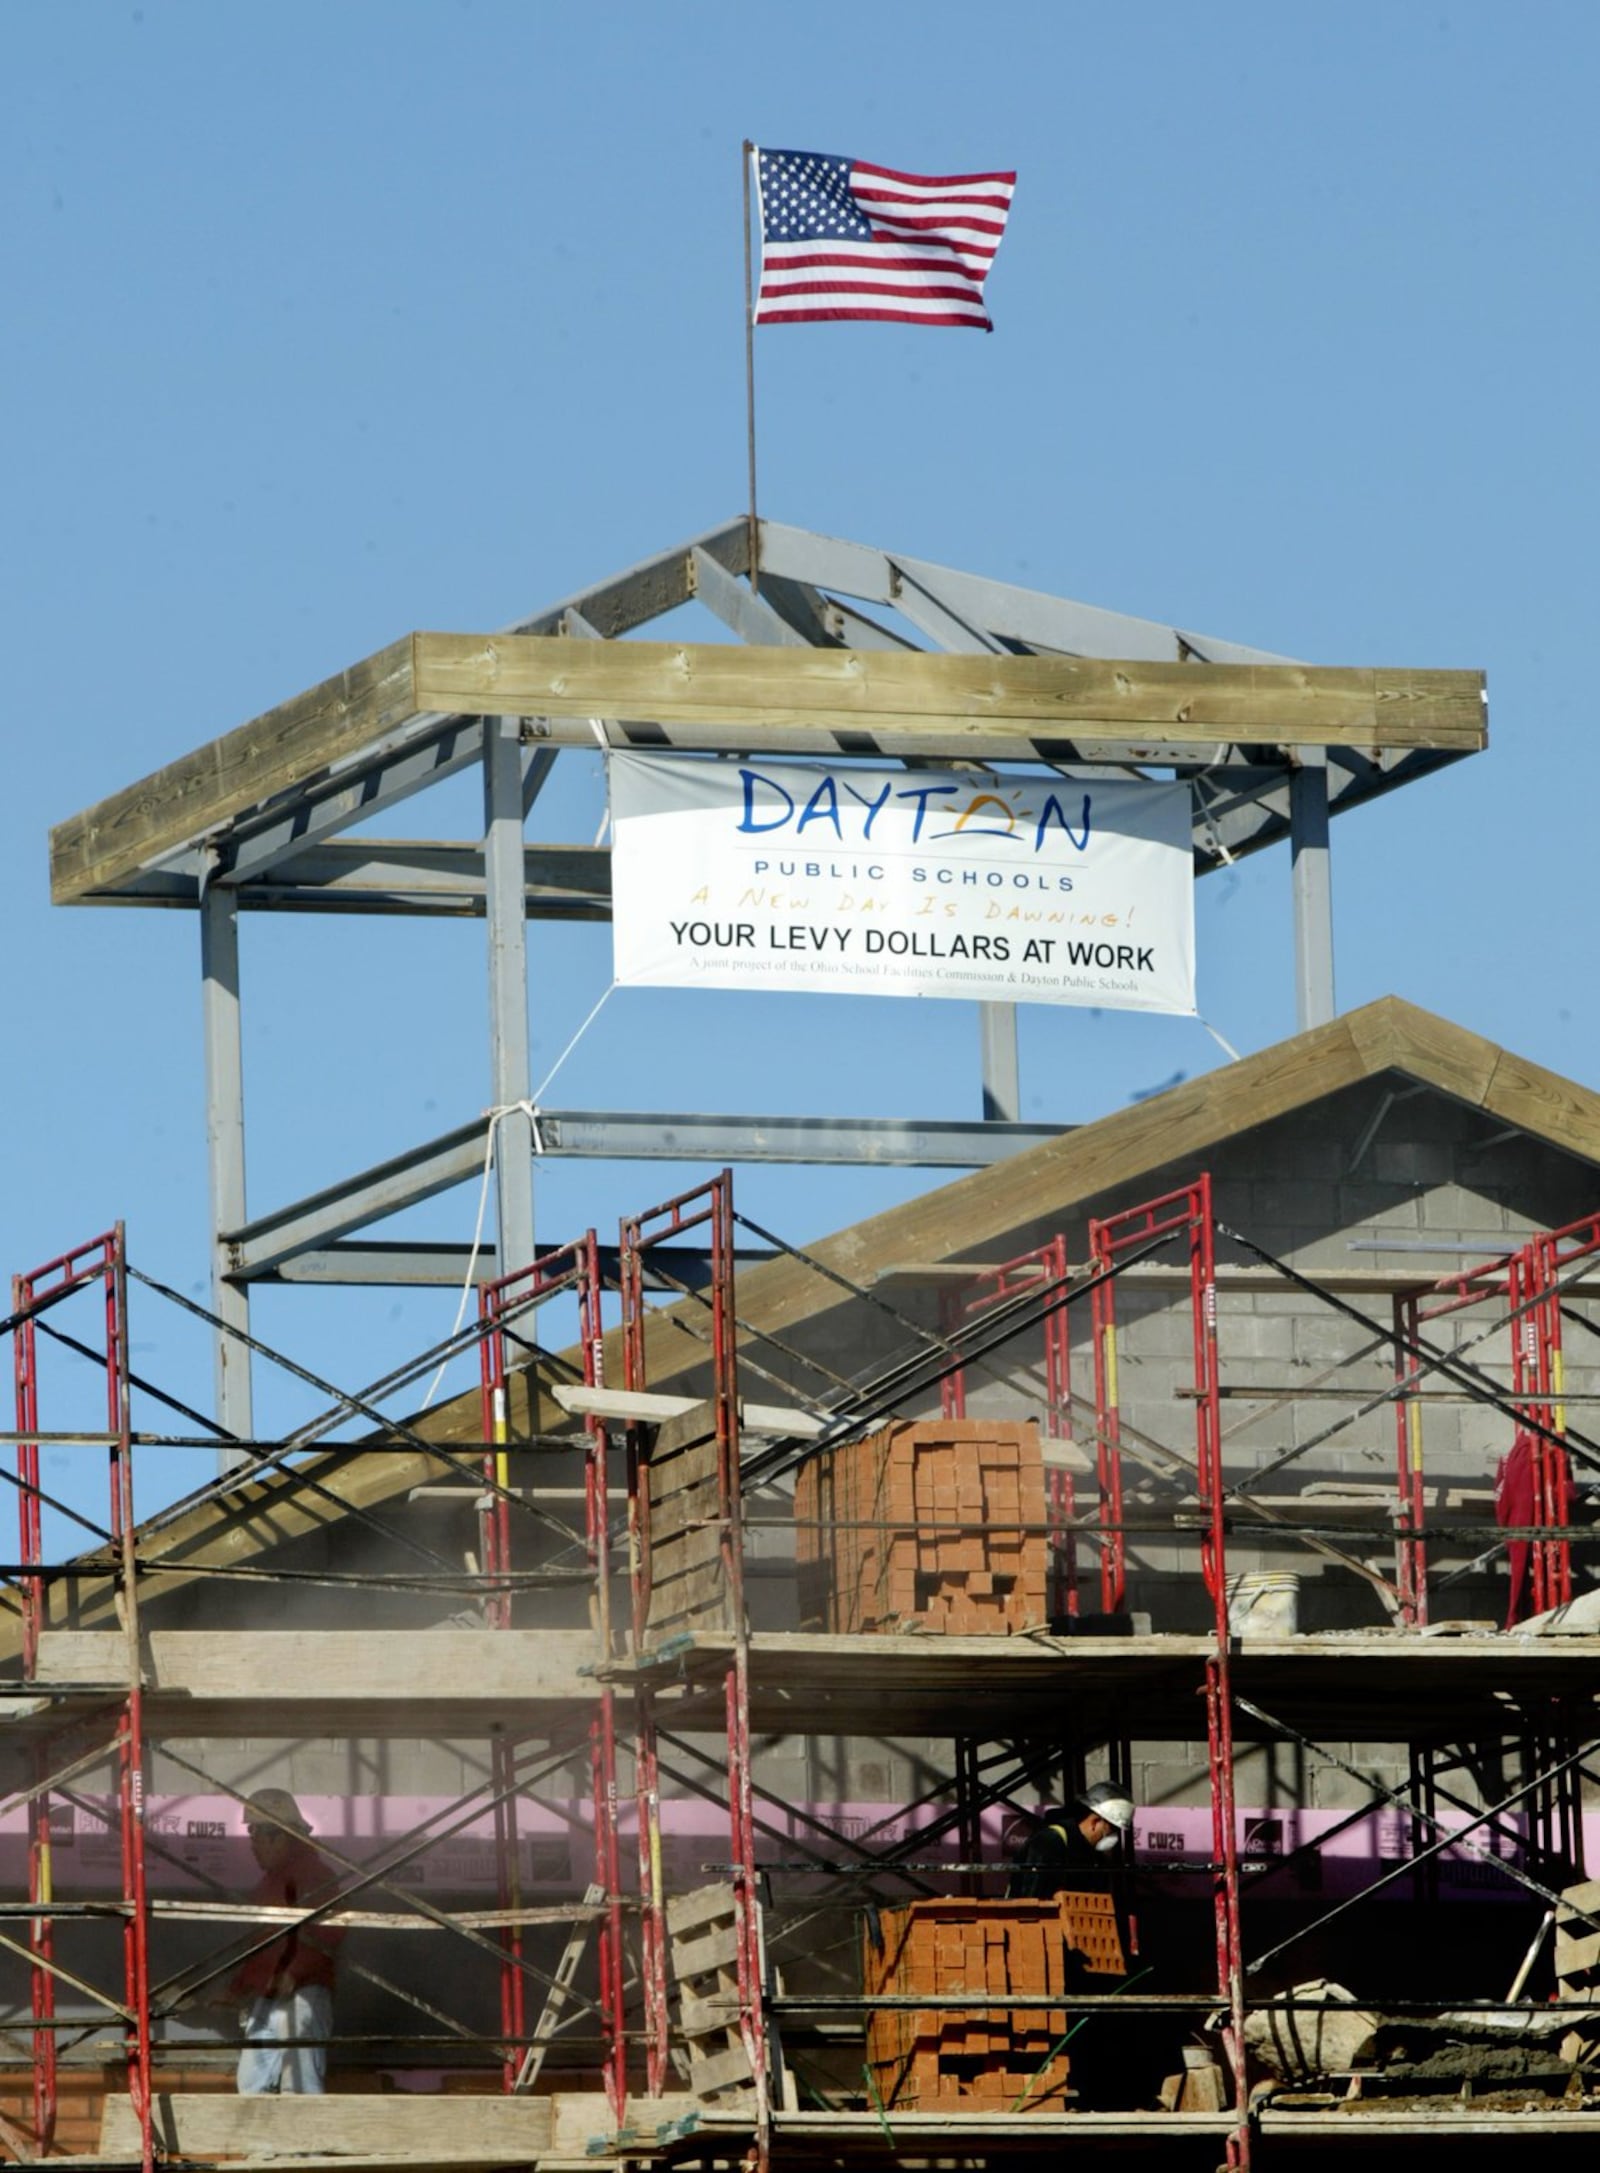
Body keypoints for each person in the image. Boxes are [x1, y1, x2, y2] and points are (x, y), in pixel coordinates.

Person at [230, 1788, 345, 2094]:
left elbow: (329, 1933)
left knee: (300, 2084)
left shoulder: (316, 1876)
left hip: (302, 1995)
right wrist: (238, 1988)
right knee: (252, 2085)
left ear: (278, 1836)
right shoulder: (268, 1884)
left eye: (255, 1836)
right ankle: (260, 2143)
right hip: (268, 1997)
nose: (252, 1846)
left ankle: (305, 2142)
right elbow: (260, 1946)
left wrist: (295, 1973)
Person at [1007, 1780, 1135, 1898]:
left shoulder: (1093, 1856)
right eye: (1112, 1830)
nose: (1113, 1837)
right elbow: (1031, 1900)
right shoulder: (1050, 1842)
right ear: (1094, 1822)